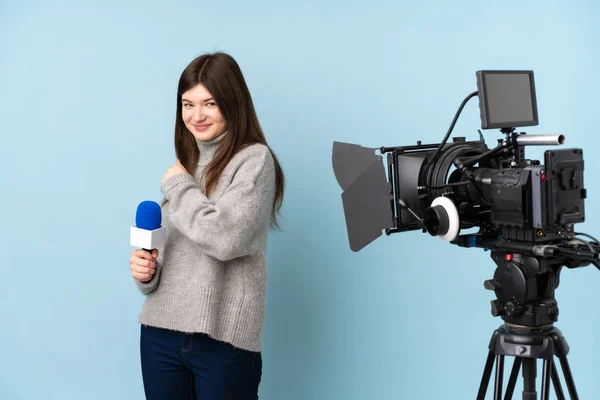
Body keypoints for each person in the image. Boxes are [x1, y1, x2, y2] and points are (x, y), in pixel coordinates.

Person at [129, 52, 285, 400]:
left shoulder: (253, 161)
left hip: (222, 341)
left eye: (209, 103)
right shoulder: (187, 162)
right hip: (160, 333)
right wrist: (147, 272)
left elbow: (225, 238)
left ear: (232, 102)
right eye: (188, 104)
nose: (196, 116)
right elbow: (181, 251)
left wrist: (180, 187)